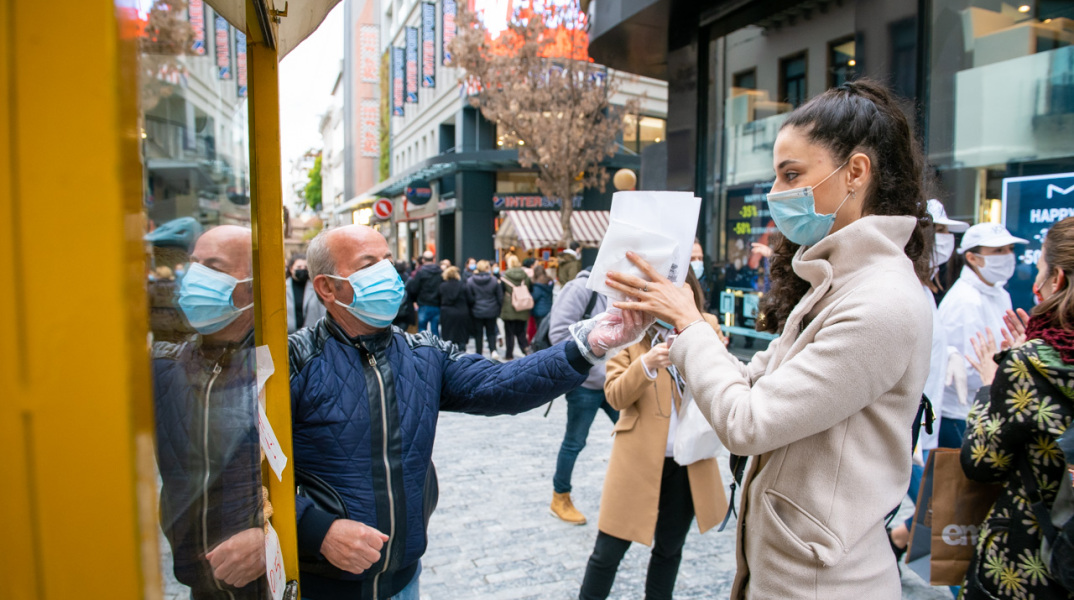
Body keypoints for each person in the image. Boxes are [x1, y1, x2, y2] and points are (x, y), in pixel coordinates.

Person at [607, 80, 934, 599]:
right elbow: (756, 381)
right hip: (793, 569)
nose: (777, 193)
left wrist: (692, 327)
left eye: (792, 174)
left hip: (824, 582)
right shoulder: (836, 281)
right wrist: (681, 332)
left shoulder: (880, 301)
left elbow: (749, 422)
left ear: (855, 172)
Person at [288, 225, 640, 599]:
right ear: (327, 287)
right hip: (321, 587)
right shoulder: (294, 361)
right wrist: (317, 529)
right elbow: (240, 477)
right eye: (368, 264)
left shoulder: (422, 353)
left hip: (405, 581)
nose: (387, 273)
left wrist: (586, 346)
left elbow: (502, 384)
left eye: (388, 260)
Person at [579, 270, 728, 600]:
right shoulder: (630, 328)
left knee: (669, 551)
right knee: (607, 552)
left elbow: (724, 385)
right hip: (637, 460)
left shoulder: (706, 327)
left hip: (689, 462)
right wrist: (646, 364)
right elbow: (615, 396)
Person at [958, 217, 1074, 599]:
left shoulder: (1031, 362)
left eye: (1039, 266)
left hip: (1032, 561)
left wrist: (994, 383)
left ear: (1057, 279)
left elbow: (982, 463)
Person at [154, 225, 268, 598]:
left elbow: (337, 473)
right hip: (200, 584)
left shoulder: (285, 370)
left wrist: (272, 533)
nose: (196, 277)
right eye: (194, 264)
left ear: (253, 285)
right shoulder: (167, 367)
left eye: (214, 267)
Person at [888, 199, 969, 561]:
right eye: (939, 232)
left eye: (949, 233)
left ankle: (899, 543)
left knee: (941, 508)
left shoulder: (925, 290)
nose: (946, 241)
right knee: (945, 509)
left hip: (922, 429)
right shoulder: (904, 290)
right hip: (909, 433)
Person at [937, 222, 1028, 449]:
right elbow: (968, 369)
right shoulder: (964, 300)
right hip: (961, 413)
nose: (1007, 256)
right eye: (998, 251)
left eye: (1009, 249)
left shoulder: (1000, 293)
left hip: (988, 406)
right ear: (972, 258)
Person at [549, 267, 616, 524]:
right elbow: (558, 336)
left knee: (633, 436)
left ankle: (639, 496)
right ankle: (560, 497)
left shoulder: (627, 293)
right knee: (574, 442)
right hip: (586, 384)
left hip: (618, 384)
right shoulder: (580, 289)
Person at [467, 259, 503, 358]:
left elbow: (469, 298)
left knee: (478, 334)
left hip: (477, 311)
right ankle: (493, 350)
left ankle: (479, 353)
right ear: (487, 268)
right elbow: (500, 297)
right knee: (491, 332)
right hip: (492, 310)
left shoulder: (470, 281)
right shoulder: (494, 280)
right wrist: (498, 309)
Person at [500, 254, 532, 360]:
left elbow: (501, 293)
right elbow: (530, 289)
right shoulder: (525, 276)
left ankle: (509, 354)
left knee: (509, 333)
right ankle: (526, 350)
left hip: (509, 308)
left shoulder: (505, 277)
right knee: (521, 332)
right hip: (522, 307)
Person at [287, 253, 327, 333]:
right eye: (299, 267)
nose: (302, 269)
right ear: (291, 269)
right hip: (288, 335)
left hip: (311, 334)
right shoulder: (283, 288)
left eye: (305, 267)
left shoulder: (317, 288)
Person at [406, 250, 442, 335]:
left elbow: (414, 289)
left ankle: (423, 348)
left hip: (423, 304)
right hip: (436, 304)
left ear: (423, 260)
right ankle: (435, 347)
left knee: (422, 331)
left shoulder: (420, 272)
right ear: (433, 259)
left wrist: (415, 300)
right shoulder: (440, 272)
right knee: (435, 330)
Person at [438, 266, 472, 349]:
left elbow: (438, 299)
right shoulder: (463, 285)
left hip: (447, 312)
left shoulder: (442, 286)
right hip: (462, 312)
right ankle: (462, 354)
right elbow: (470, 299)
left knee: (448, 336)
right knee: (462, 336)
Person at [530, 264, 555, 342]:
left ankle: (541, 347)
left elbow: (534, 297)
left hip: (539, 312)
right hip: (548, 309)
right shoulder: (549, 282)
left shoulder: (537, 286)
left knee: (540, 331)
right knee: (547, 331)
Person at [393, 259, 417, 332]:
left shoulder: (391, 279)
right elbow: (414, 295)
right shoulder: (409, 280)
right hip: (406, 311)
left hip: (392, 310)